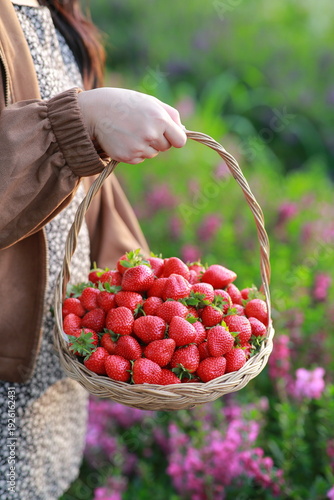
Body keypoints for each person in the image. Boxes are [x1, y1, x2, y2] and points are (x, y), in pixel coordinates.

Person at [0, 0, 187, 498]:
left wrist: (153, 300)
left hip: (55, 373)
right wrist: (77, 120)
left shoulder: (52, 9)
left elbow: (82, 185)